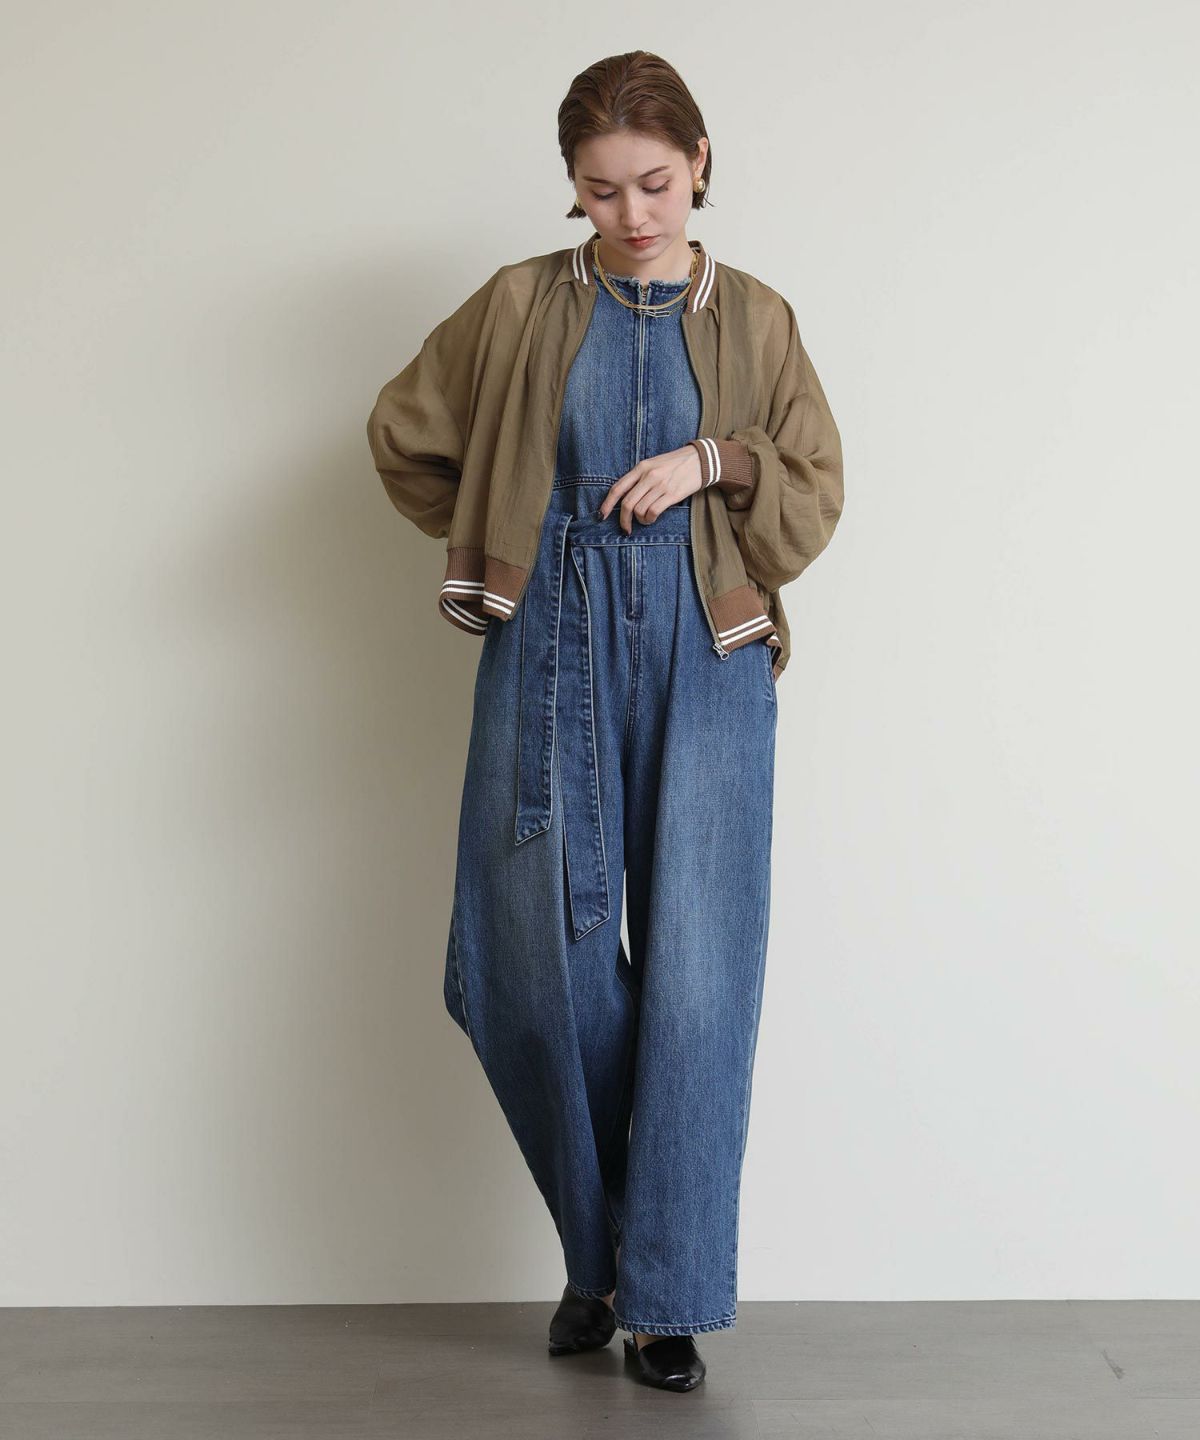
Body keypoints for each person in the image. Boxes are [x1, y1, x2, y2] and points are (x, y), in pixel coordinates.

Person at [366, 50, 845, 1395]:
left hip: (709, 651)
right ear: (571, 188)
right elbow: (404, 435)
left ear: (700, 164)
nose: (632, 214)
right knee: (530, 959)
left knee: (699, 971)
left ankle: (666, 1295)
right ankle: (606, 1253)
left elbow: (813, 491)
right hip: (549, 641)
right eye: (599, 190)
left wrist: (715, 460)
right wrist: (502, 528)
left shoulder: (760, 319)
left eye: (654, 183)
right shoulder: (520, 303)